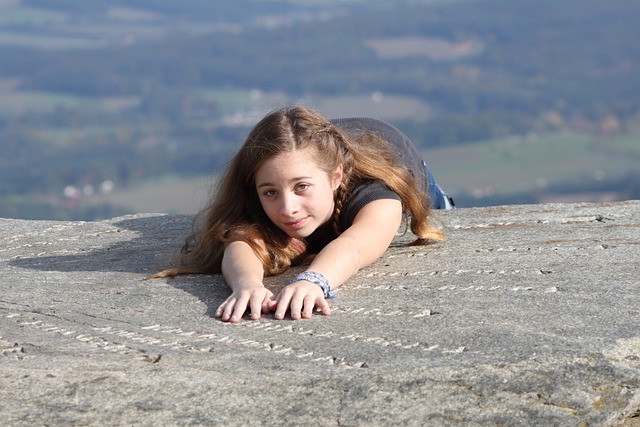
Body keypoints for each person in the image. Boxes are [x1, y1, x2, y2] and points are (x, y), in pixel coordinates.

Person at [152, 106, 453, 322]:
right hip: (318, 153)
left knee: (436, 212)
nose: (287, 208)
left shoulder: (374, 189)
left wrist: (314, 280)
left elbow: (359, 242)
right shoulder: (268, 183)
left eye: (302, 187)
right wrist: (248, 286)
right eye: (270, 191)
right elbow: (241, 242)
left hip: (402, 167)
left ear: (337, 177)